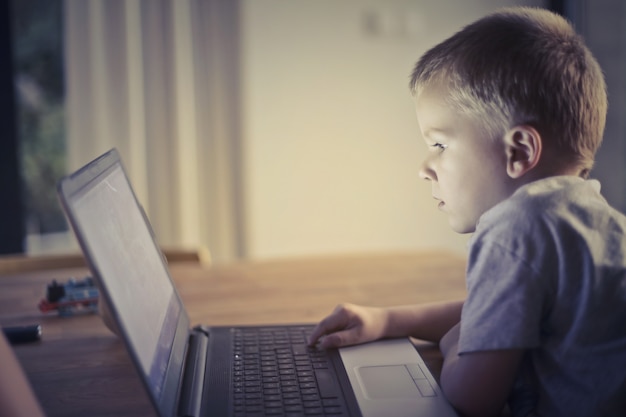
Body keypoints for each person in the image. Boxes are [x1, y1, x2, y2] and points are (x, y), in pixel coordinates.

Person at [308, 7, 626, 417]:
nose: (424, 168)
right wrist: (387, 320)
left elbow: (471, 398)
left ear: (520, 152)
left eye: (439, 145)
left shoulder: (516, 227)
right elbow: (498, 311)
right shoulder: (594, 221)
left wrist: (454, 341)